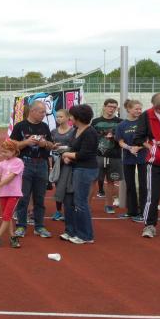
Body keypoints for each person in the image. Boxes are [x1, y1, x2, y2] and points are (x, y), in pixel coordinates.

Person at [11, 101, 55, 238]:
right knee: (23, 197)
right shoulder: (20, 126)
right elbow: (11, 145)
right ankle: (21, 226)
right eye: (41, 112)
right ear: (32, 111)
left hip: (42, 164)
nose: (44, 114)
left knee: (40, 197)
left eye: (44, 112)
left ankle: (39, 226)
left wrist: (44, 144)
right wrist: (26, 142)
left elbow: (51, 145)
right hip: (25, 164)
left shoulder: (44, 127)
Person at [60, 104, 99, 244]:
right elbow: (73, 148)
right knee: (73, 201)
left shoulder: (90, 132)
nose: (70, 118)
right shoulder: (77, 129)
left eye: (71, 115)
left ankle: (86, 235)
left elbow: (85, 154)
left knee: (81, 202)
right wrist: (68, 155)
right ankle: (73, 231)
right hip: (77, 168)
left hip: (85, 170)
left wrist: (67, 154)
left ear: (78, 117)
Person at [133, 92, 160, 238]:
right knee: (152, 195)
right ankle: (149, 225)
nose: (158, 110)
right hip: (154, 163)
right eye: (156, 108)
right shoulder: (146, 115)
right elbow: (138, 137)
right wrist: (150, 146)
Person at [0, 139, 25, 247]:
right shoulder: (1, 164)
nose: (3, 154)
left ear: (14, 151)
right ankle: (13, 237)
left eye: (6, 152)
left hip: (14, 193)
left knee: (6, 216)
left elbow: (11, 176)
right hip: (3, 193)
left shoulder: (18, 162)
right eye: (2, 151)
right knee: (7, 216)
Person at [115, 99, 147, 221]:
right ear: (128, 109)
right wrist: (129, 148)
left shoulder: (144, 123)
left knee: (143, 185)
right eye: (136, 109)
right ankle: (132, 211)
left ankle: (143, 212)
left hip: (143, 158)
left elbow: (148, 140)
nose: (139, 111)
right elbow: (120, 141)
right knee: (130, 185)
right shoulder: (121, 125)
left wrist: (138, 147)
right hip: (128, 158)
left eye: (140, 109)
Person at [91, 98, 123, 214]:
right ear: (104, 107)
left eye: (114, 107)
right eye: (110, 106)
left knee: (111, 181)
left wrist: (114, 137)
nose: (112, 109)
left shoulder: (120, 122)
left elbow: (123, 138)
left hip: (115, 155)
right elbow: (91, 138)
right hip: (98, 155)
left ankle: (109, 205)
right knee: (93, 180)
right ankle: (87, 205)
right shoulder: (95, 121)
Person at [49, 109, 76, 221]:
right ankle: (58, 211)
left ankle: (69, 211)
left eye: (61, 117)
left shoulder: (73, 131)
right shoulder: (54, 132)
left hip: (69, 161)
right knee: (58, 185)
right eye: (57, 117)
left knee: (68, 186)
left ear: (68, 117)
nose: (58, 119)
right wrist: (53, 146)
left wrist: (67, 153)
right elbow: (50, 146)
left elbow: (75, 146)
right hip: (57, 161)